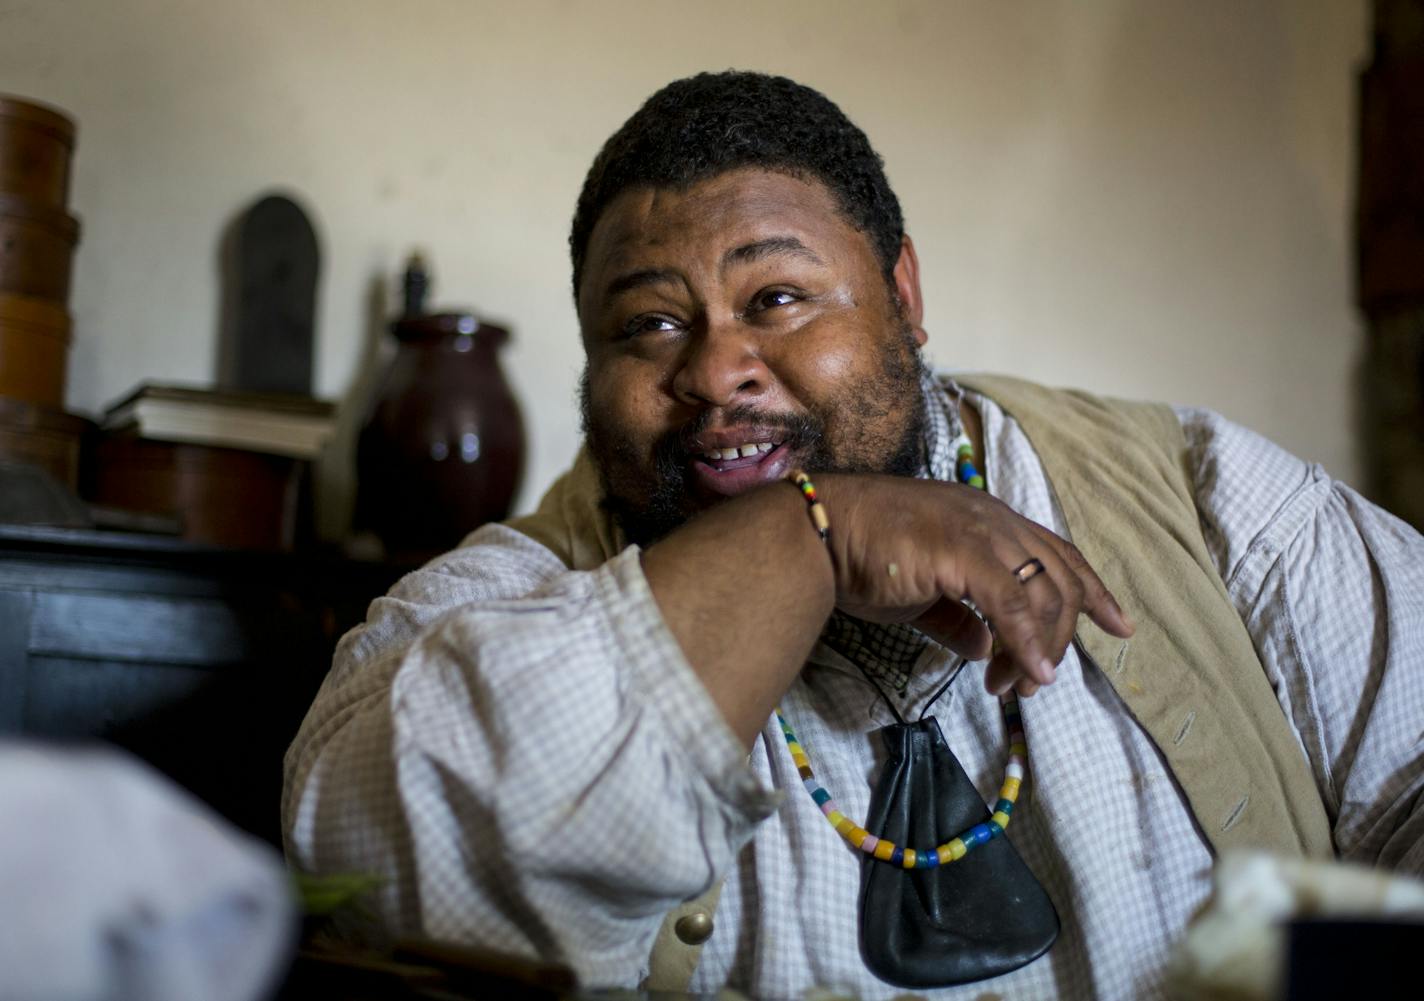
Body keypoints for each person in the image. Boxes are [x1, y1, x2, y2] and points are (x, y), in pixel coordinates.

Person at [283, 71, 1424, 1000]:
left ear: (901, 293)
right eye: (649, 323)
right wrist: (807, 533)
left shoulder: (1196, 497)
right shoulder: (516, 597)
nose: (714, 368)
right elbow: (371, 871)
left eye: (774, 297)